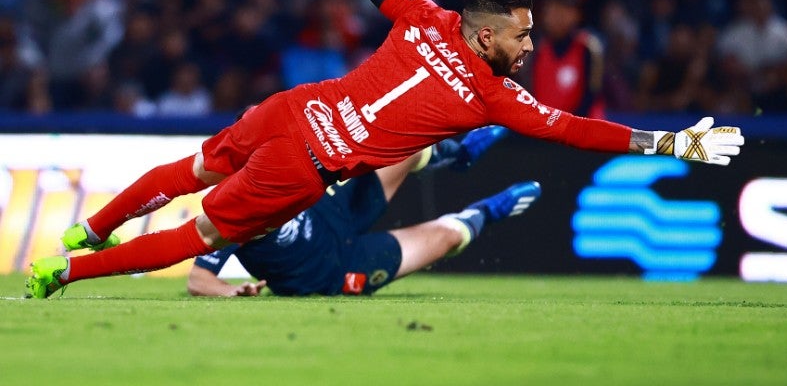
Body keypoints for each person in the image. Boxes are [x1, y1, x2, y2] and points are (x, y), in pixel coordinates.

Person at [26, 0, 744, 299]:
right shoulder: (497, 98)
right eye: (521, 37)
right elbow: (579, 131)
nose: (528, 49)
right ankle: (69, 269)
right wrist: (671, 143)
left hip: (292, 109)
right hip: (304, 164)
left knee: (191, 171)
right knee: (199, 240)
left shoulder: (423, 14)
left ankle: (92, 228)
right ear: (487, 32)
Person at [186, 125, 539, 296]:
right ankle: (486, 213)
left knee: (400, 146)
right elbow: (198, 279)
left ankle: (458, 156)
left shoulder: (287, 156)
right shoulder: (231, 206)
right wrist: (231, 290)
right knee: (447, 237)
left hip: (336, 211)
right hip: (332, 272)